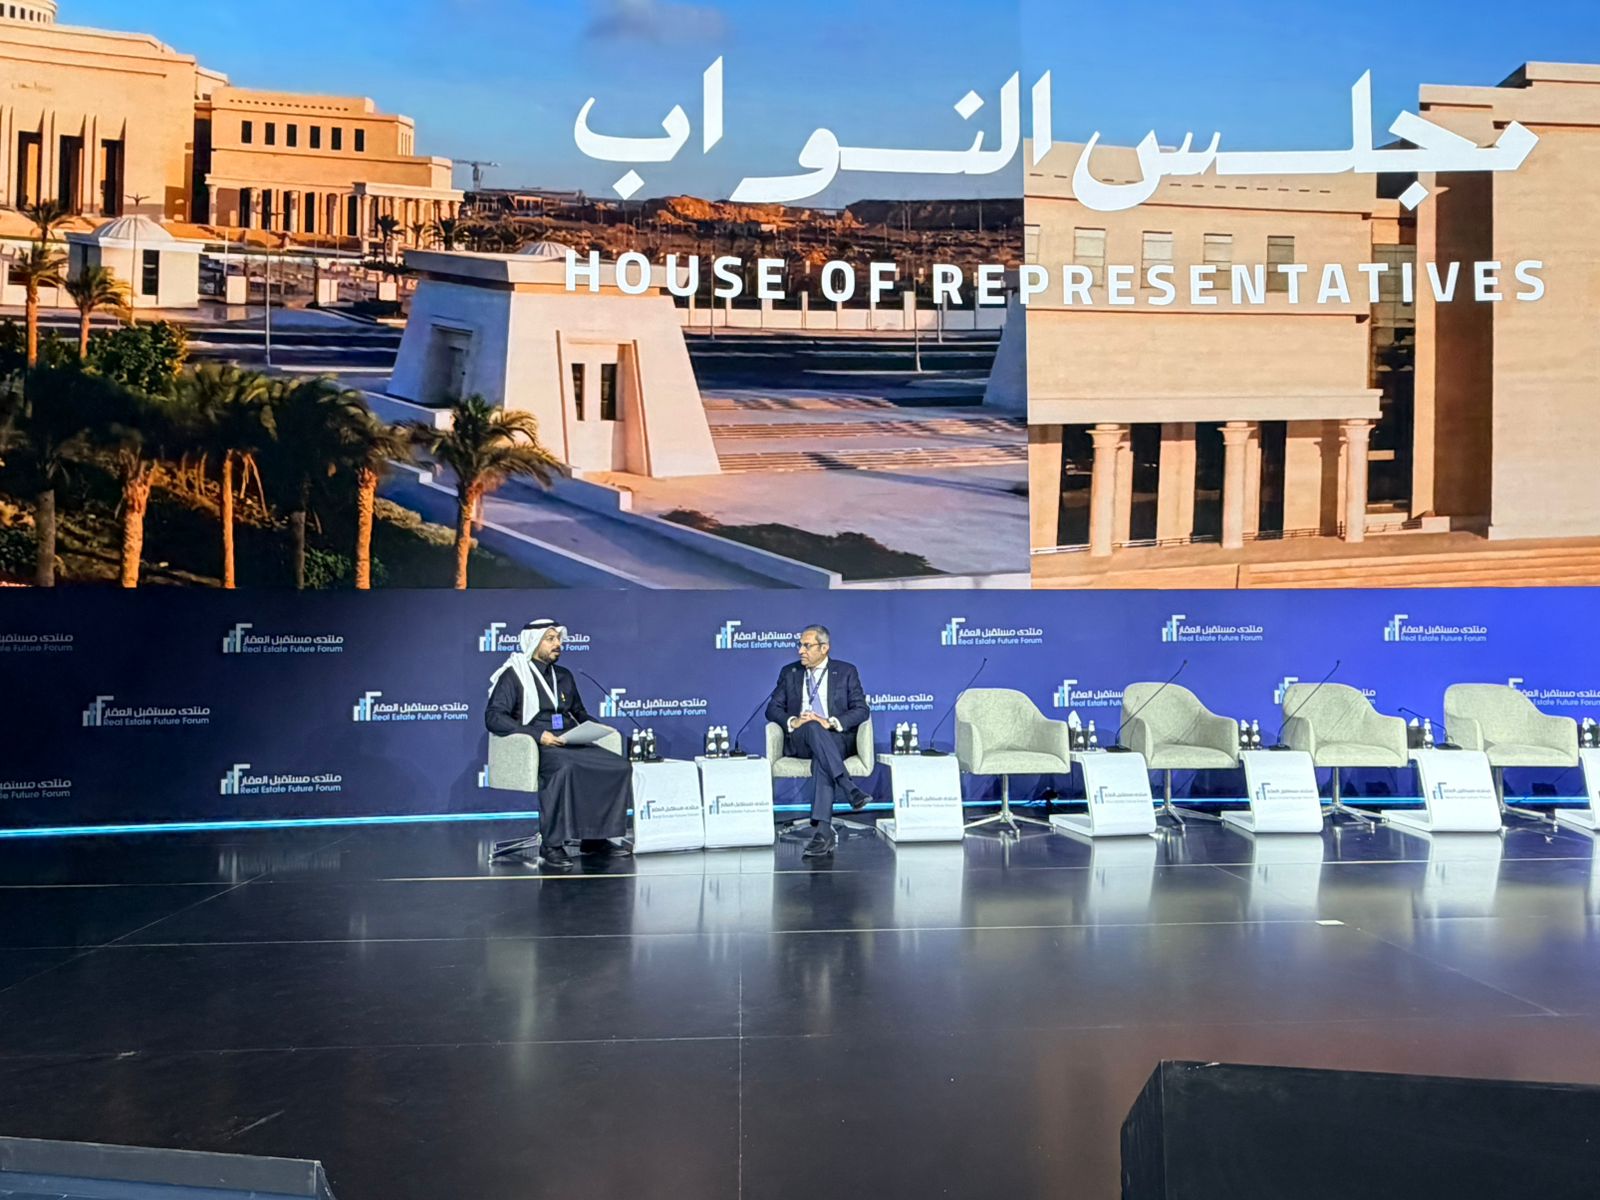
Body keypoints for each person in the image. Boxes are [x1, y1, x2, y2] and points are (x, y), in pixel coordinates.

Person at [485, 618, 631, 871]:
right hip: (538, 742)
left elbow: (579, 712)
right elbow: (494, 717)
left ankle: (594, 839)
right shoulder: (514, 675)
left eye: (559, 639)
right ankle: (551, 844)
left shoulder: (563, 676)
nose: (558, 644)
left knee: (617, 765)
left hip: (568, 738)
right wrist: (537, 735)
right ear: (534, 642)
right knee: (564, 768)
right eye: (550, 639)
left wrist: (597, 729)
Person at [763, 623, 872, 858]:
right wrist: (794, 721)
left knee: (823, 756)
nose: (800, 651)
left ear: (824, 648)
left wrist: (829, 722)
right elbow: (772, 709)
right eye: (800, 645)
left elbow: (861, 710)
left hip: (835, 738)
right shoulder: (790, 672)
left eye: (807, 645)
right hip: (802, 739)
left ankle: (823, 833)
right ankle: (848, 786)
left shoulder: (846, 671)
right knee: (811, 726)